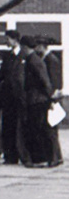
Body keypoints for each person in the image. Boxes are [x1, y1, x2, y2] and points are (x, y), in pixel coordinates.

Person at [23, 36, 58, 167]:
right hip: (37, 99)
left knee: (38, 130)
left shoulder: (33, 61)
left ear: (25, 47)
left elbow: (45, 80)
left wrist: (51, 98)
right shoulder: (33, 59)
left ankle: (41, 159)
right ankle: (43, 159)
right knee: (38, 129)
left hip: (37, 100)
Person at [0, 31, 26, 165]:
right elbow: (1, 75)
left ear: (15, 40)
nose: (5, 42)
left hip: (20, 97)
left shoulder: (25, 56)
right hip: (8, 98)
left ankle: (23, 154)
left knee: (21, 127)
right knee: (8, 127)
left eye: (7, 39)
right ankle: (10, 156)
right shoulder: (7, 56)